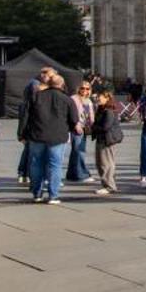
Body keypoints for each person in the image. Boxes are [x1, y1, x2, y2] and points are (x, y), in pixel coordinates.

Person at [22, 72, 79, 204]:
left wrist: (22, 133)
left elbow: (26, 116)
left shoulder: (36, 96)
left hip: (37, 135)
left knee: (36, 164)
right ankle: (53, 195)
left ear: (48, 84)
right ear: (62, 85)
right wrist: (69, 129)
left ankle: (37, 193)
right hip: (58, 136)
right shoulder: (67, 99)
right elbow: (74, 120)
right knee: (55, 165)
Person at [90, 88, 124, 194]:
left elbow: (106, 127)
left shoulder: (108, 111)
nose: (97, 99)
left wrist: (92, 127)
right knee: (101, 162)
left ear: (107, 98)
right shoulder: (102, 109)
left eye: (100, 97)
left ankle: (109, 186)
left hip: (106, 139)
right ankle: (107, 184)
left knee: (106, 163)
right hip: (102, 138)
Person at [67, 80, 96, 184]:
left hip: (85, 128)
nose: (85, 90)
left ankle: (71, 174)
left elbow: (91, 115)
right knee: (79, 151)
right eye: (82, 88)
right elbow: (71, 114)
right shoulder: (73, 99)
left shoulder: (89, 100)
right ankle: (81, 174)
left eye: (87, 89)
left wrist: (93, 126)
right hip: (76, 128)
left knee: (76, 151)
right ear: (78, 88)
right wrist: (76, 125)